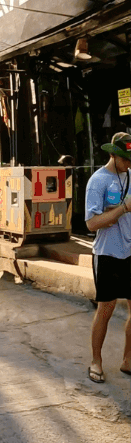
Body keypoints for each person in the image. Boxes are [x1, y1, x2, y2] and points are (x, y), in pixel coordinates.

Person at [84, 132, 131, 383]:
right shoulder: (98, 181)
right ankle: (96, 361)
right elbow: (91, 223)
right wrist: (123, 208)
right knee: (106, 309)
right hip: (108, 253)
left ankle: (127, 360)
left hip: (130, 252)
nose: (128, 164)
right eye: (125, 159)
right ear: (112, 154)